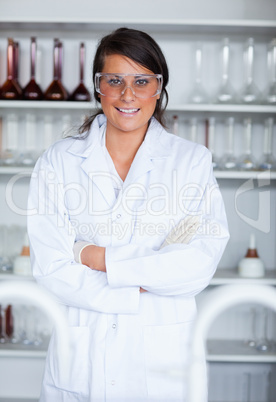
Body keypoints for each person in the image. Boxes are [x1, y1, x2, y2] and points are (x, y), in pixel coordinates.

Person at [27, 27, 229, 402]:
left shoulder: (191, 162)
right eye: (114, 80)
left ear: (159, 88)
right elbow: (51, 267)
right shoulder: (59, 161)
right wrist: (146, 278)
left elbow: (197, 264)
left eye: (142, 81)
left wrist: (95, 257)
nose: (128, 94)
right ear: (98, 87)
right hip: (81, 359)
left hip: (163, 363)